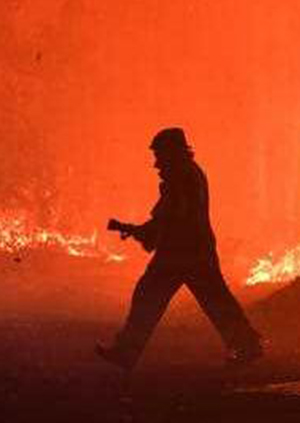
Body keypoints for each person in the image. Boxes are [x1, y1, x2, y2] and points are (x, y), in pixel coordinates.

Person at [96, 127, 263, 369]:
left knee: (149, 296)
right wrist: (145, 231)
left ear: (171, 153)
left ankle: (126, 352)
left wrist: (146, 233)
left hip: (180, 252)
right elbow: (172, 215)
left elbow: (174, 216)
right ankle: (247, 346)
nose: (156, 164)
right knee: (215, 299)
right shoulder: (188, 174)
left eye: (159, 156)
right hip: (193, 250)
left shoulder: (180, 177)